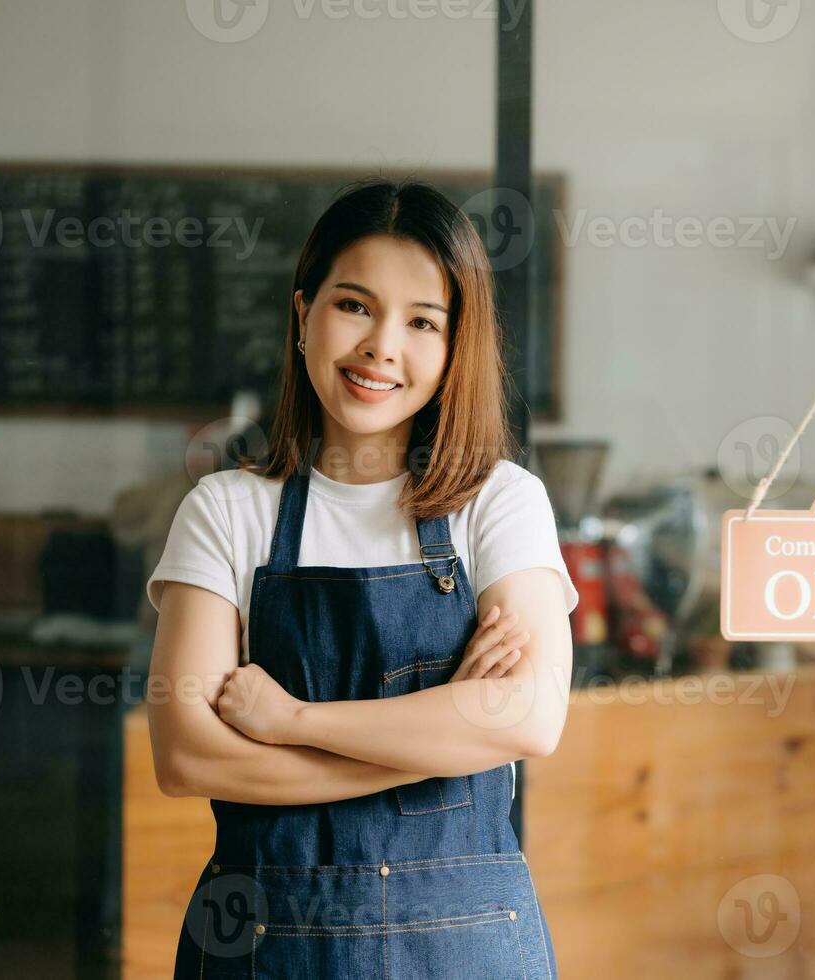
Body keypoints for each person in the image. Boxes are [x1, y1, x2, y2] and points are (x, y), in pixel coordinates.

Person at [145, 179, 578, 978]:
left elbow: (528, 718)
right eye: (354, 306)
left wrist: (292, 719)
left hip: (465, 945)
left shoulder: (502, 504)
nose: (383, 345)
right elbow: (188, 757)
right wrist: (446, 740)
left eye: (422, 322)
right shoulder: (226, 511)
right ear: (302, 311)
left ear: (456, 348)